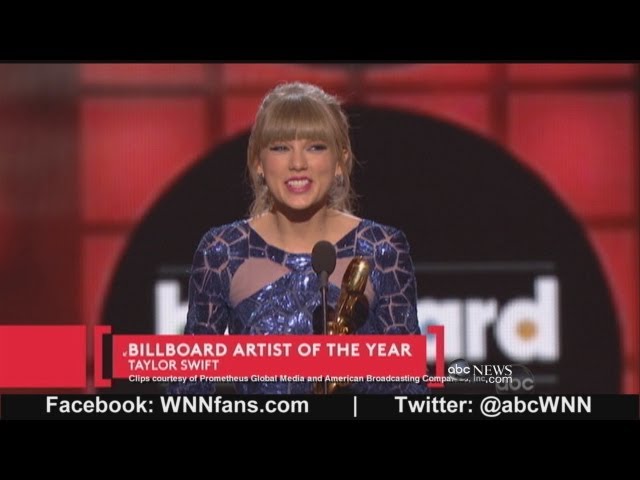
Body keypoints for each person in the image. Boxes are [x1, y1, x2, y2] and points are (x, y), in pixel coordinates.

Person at [172, 82, 426, 394]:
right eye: (280, 147)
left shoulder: (382, 249)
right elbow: (189, 388)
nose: (297, 163)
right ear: (258, 163)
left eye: (315, 147)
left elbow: (408, 388)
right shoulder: (222, 252)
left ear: (340, 161)